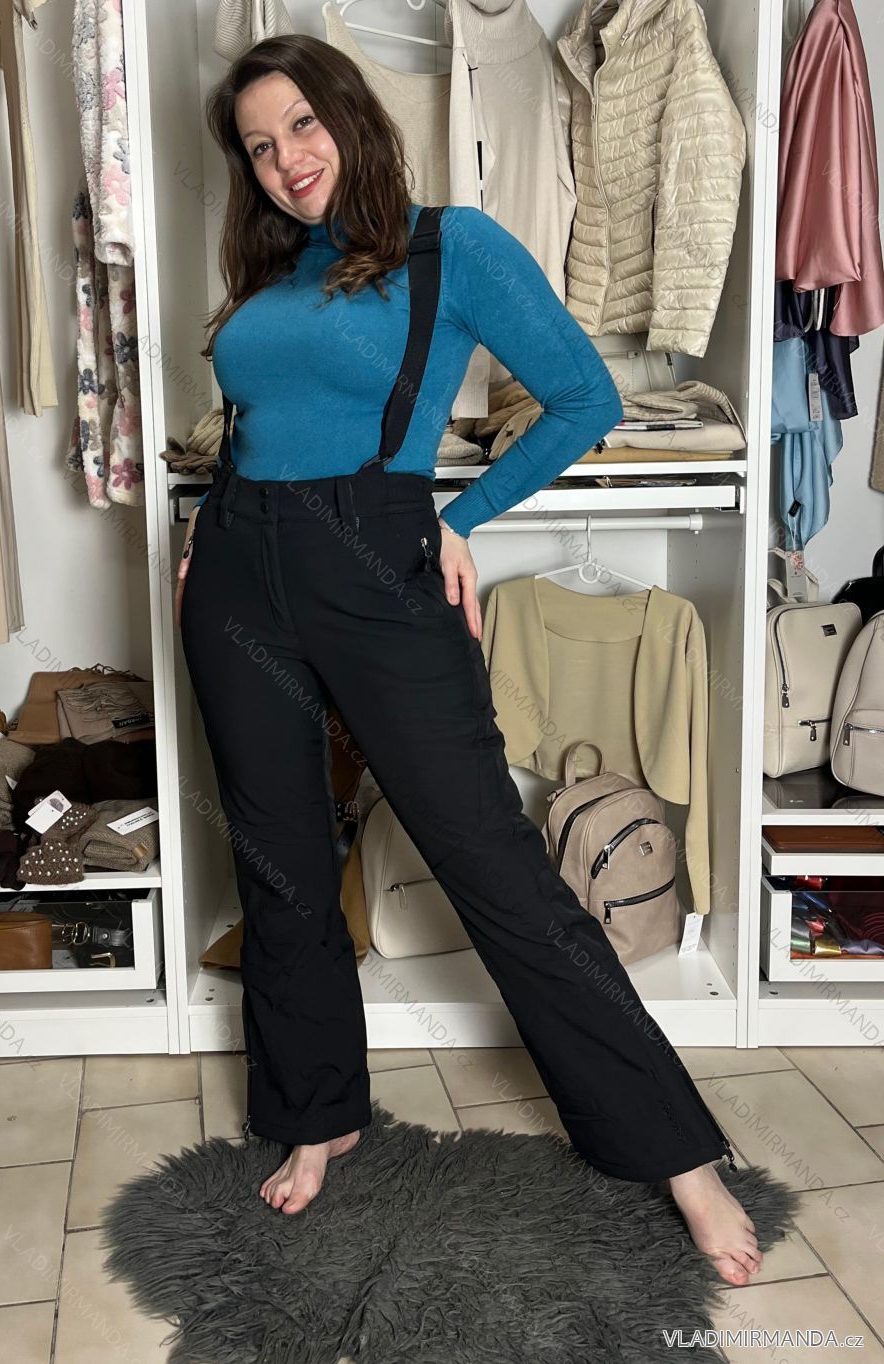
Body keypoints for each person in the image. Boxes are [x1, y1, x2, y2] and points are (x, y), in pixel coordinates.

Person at [176, 33, 763, 1288]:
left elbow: (583, 398)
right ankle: (318, 1113)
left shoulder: (454, 248)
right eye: (259, 146)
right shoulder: (274, 269)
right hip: (233, 570)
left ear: (350, 115)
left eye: (301, 126)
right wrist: (203, 538)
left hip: (375, 557)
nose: (285, 160)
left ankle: (679, 1154)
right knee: (280, 861)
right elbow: (260, 421)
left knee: (494, 864)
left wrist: (461, 516)